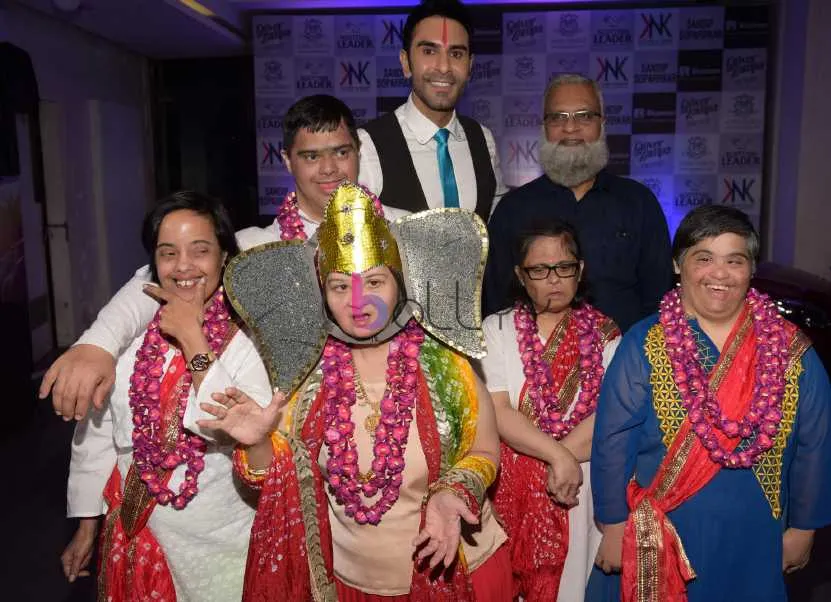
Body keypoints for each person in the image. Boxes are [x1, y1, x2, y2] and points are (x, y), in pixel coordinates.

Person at [196, 182, 513, 600]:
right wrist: (256, 445)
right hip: (351, 586)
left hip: (456, 575)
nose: (358, 301)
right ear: (323, 294)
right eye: (341, 286)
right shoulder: (306, 379)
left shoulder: (446, 367)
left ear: (400, 284)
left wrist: (453, 492)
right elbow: (275, 484)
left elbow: (485, 450)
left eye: (375, 282)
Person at [40, 94, 405, 422]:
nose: (329, 169)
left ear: (359, 152)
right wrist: (97, 343)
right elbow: (158, 280)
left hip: (389, 415)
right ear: (287, 161)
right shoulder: (255, 248)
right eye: (311, 156)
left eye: (341, 152)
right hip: (287, 428)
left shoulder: (401, 231)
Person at [587, 205, 831, 602]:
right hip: (665, 531)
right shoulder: (645, 343)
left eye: (734, 261)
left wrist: (804, 529)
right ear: (678, 264)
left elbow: (815, 443)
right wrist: (614, 525)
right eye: (703, 258)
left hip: (756, 535)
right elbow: (612, 441)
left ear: (752, 268)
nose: (719, 274)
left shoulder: (790, 349)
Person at [61, 191, 272, 600]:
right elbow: (102, 430)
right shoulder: (131, 336)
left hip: (223, 549)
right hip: (139, 538)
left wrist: (193, 336)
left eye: (200, 251)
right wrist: (88, 522)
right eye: (168, 253)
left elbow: (228, 427)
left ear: (224, 257)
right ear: (153, 264)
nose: (184, 267)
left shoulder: (250, 339)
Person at [480, 219, 620, 601]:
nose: (554, 279)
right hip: (514, 482)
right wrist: (557, 457)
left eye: (564, 267)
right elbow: (499, 411)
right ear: (520, 276)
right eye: (539, 270)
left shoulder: (606, 333)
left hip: (580, 485)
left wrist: (562, 465)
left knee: (574, 585)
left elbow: (610, 417)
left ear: (581, 270)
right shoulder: (497, 329)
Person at [482, 74, 672, 333]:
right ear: (544, 127)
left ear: (602, 124)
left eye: (584, 116)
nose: (570, 128)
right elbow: (496, 306)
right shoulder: (512, 209)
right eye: (558, 117)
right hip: (532, 368)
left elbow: (659, 305)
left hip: (622, 366)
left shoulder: (639, 203)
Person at [358, 0, 506, 222]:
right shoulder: (368, 145)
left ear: (470, 66)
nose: (444, 67)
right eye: (429, 51)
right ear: (406, 62)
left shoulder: (483, 139)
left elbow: (499, 224)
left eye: (456, 54)